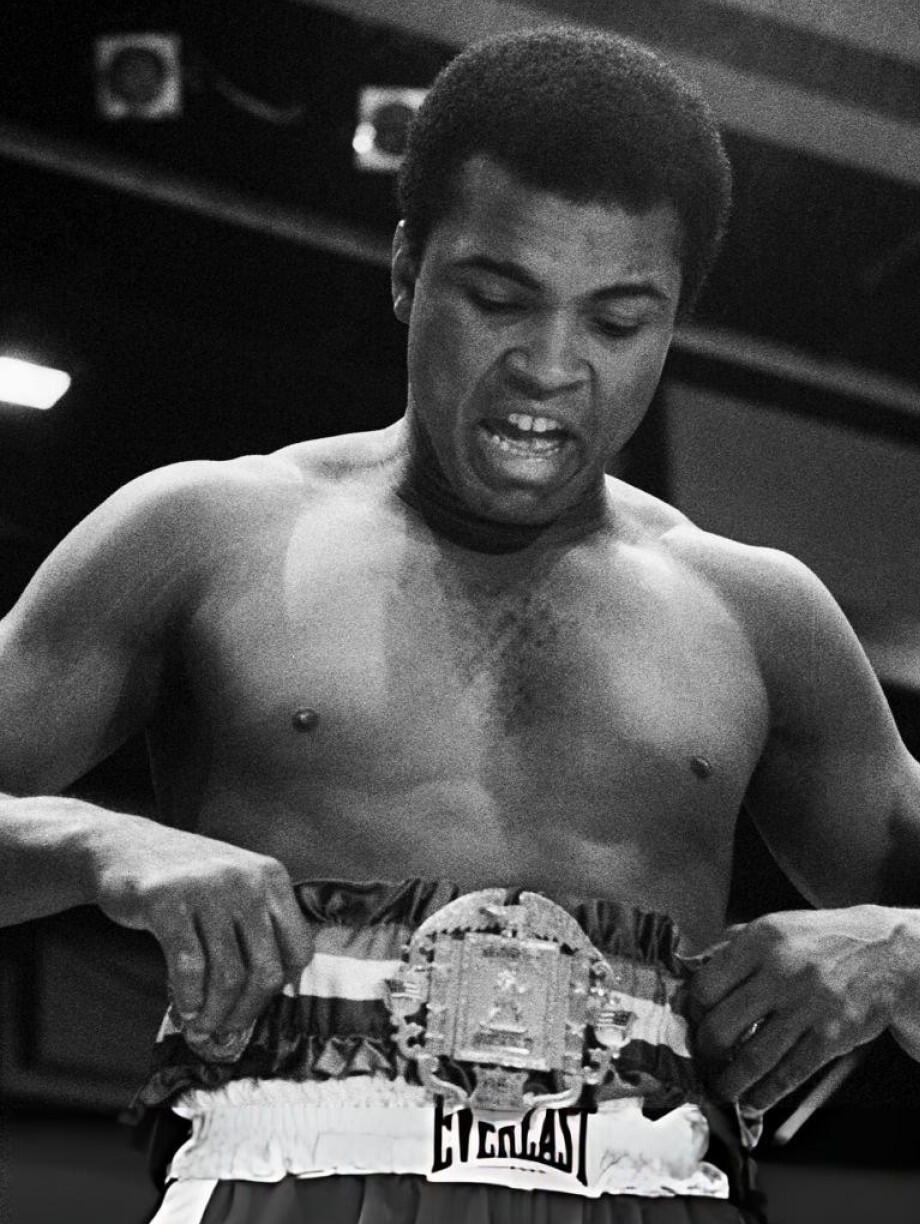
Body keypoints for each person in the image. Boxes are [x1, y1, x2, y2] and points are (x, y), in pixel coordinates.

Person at [1, 23, 919, 1224]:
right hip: (287, 1178)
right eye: (499, 298)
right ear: (404, 271)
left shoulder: (758, 613)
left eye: (616, 319)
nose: (548, 365)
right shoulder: (201, 533)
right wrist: (97, 845)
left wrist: (898, 950)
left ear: (673, 319)